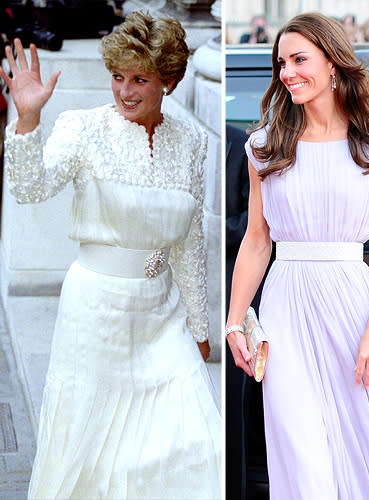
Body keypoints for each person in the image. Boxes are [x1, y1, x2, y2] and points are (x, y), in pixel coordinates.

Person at [1, 10, 220, 500]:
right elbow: (30, 188)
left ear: (169, 80)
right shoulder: (84, 128)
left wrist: (199, 327)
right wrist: (29, 119)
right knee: (93, 455)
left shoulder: (189, 141)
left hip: (162, 317)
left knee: (193, 446)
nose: (124, 90)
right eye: (117, 76)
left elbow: (187, 242)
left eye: (139, 79)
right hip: (94, 314)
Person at [226, 12, 369, 500]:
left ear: (332, 63)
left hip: (355, 309)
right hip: (285, 311)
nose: (288, 73)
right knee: (302, 456)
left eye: (299, 59)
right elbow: (257, 240)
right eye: (281, 62)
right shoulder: (265, 145)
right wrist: (234, 320)